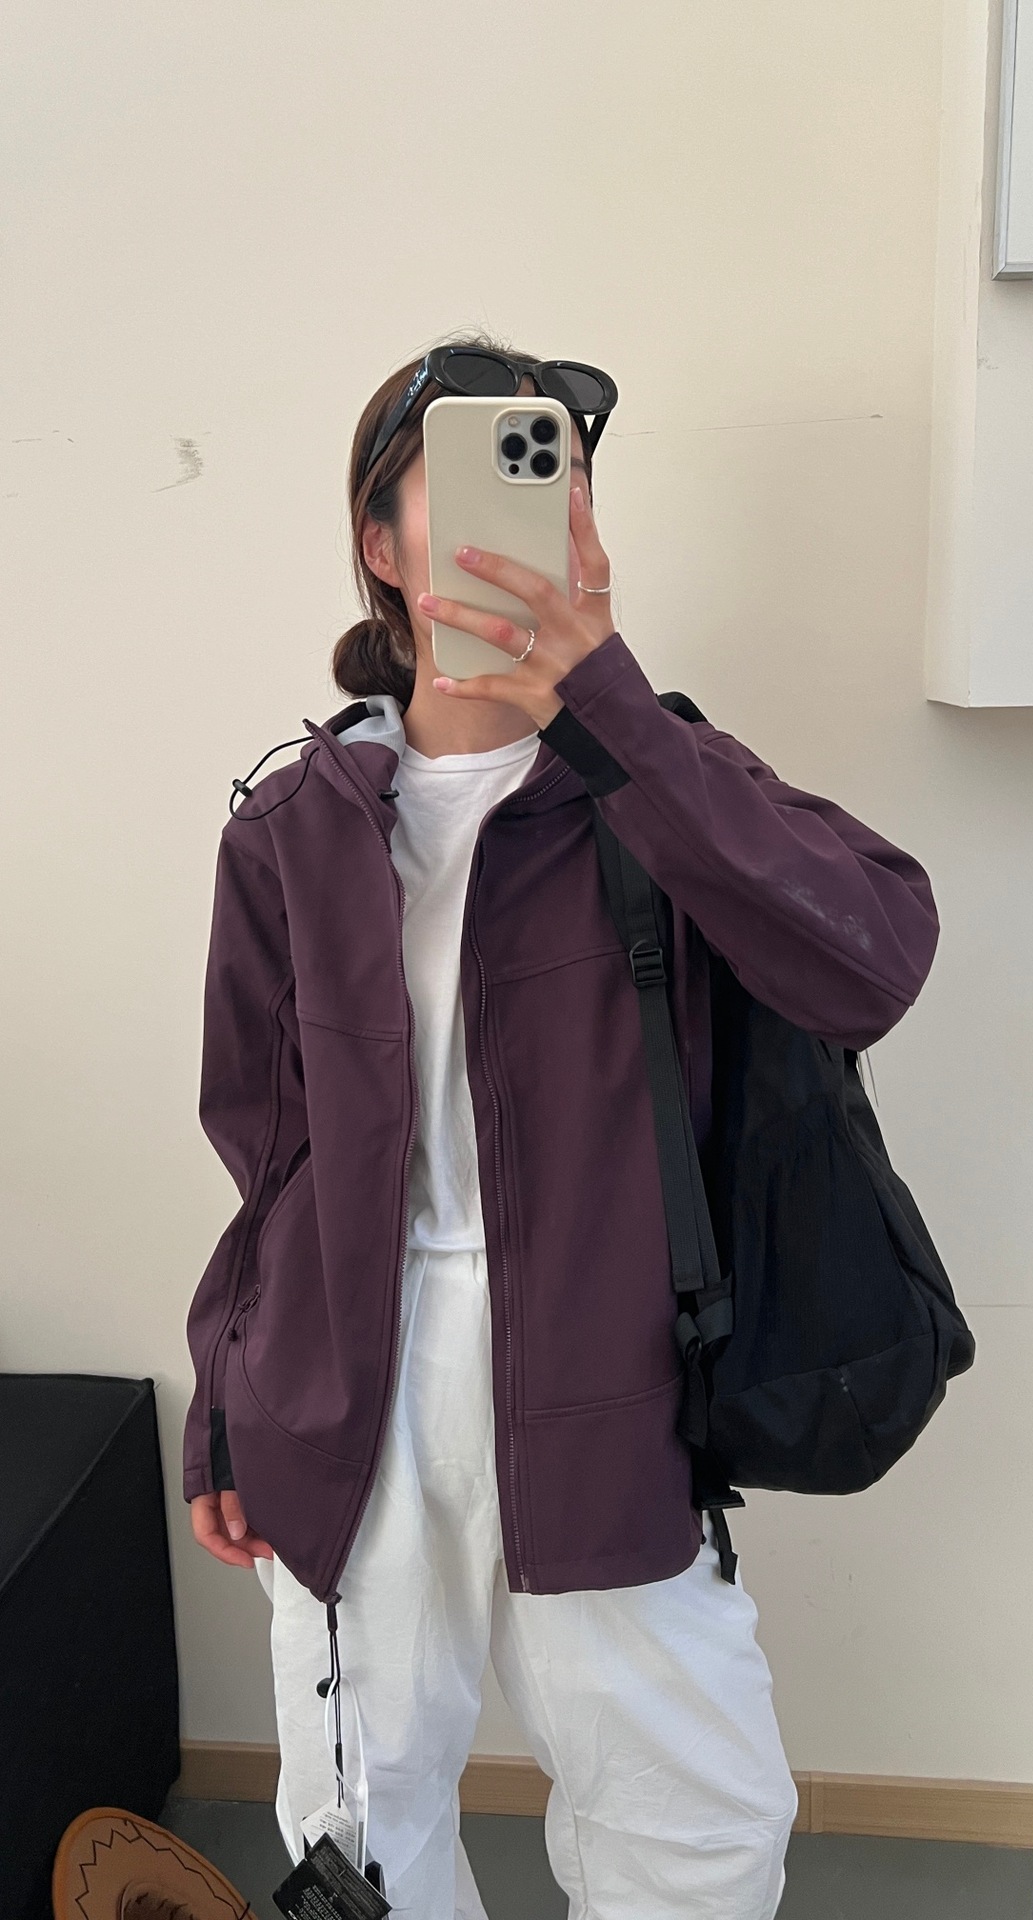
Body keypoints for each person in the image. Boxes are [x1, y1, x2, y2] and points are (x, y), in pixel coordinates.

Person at [183, 330, 940, 1918]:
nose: (535, 513)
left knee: (693, 1831)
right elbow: (269, 1161)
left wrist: (610, 712)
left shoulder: (657, 782)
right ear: (381, 546)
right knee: (355, 1833)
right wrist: (223, 1410)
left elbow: (871, 960)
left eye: (561, 480)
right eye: (474, 483)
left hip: (606, 1378)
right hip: (346, 1389)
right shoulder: (291, 829)